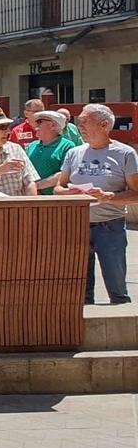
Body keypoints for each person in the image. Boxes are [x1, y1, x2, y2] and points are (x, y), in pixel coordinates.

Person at [55, 104, 138, 305]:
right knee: (81, 291)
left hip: (110, 226)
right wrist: (71, 192)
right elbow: (58, 188)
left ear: (103, 125)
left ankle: (124, 332)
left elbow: (136, 194)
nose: (79, 126)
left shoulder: (125, 153)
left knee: (117, 288)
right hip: (77, 226)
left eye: (85, 121)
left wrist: (108, 197)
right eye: (79, 121)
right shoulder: (74, 153)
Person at [27, 110, 76, 195]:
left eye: (39, 122)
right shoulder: (32, 146)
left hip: (54, 200)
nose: (35, 127)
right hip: (31, 199)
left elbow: (64, 174)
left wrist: (36, 186)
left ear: (53, 125)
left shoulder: (67, 146)